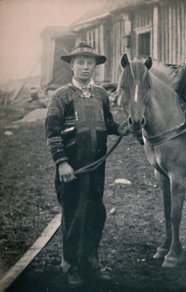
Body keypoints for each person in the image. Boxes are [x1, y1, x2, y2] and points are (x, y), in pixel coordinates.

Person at [45, 42, 130, 286]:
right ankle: (70, 264)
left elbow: (109, 124)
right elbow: (52, 133)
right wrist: (62, 163)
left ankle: (91, 260)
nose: (85, 67)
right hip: (72, 170)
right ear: (72, 66)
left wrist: (122, 128)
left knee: (95, 213)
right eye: (80, 62)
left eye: (89, 63)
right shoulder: (61, 96)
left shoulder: (101, 95)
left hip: (96, 169)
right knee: (74, 215)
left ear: (95, 66)